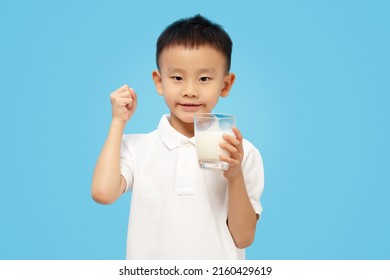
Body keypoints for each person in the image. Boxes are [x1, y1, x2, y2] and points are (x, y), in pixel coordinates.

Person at [91, 14, 264, 260]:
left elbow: (244, 237)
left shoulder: (243, 152)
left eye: (204, 78)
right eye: (177, 78)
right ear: (159, 82)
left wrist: (235, 176)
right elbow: (103, 194)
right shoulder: (138, 147)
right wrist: (118, 122)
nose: (190, 91)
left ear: (225, 85)